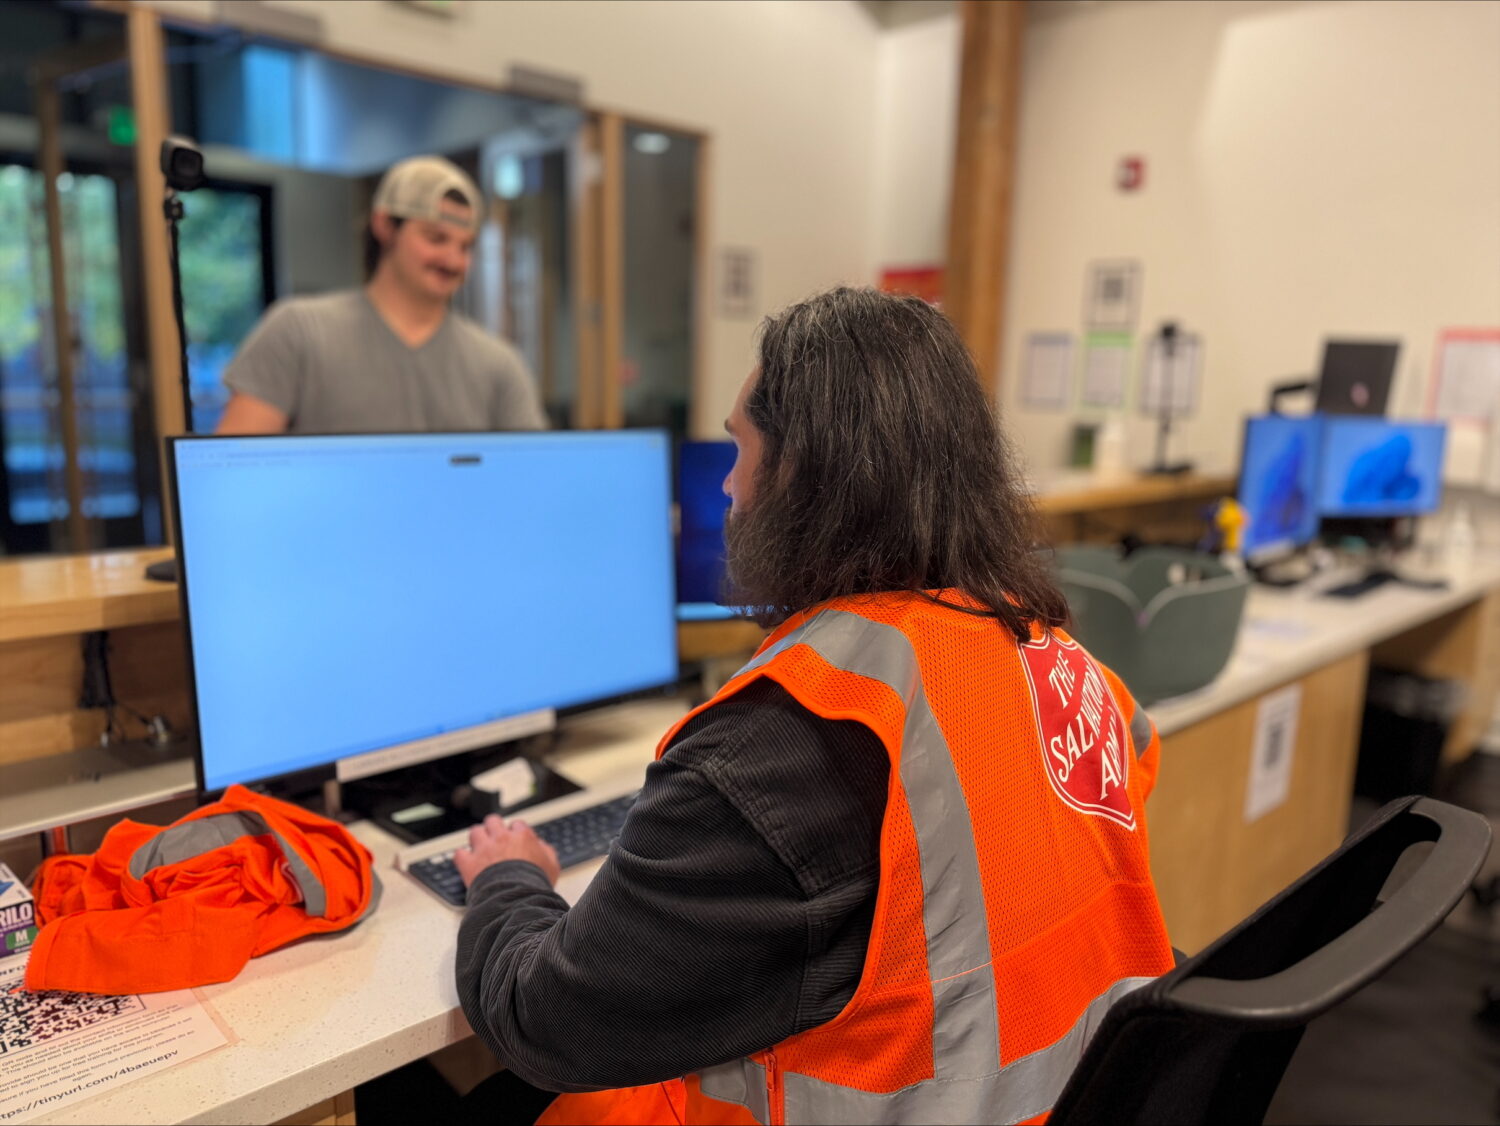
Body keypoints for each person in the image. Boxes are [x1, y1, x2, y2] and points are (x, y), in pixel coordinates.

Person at [452, 287, 1176, 1125]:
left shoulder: (788, 741)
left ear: (799, 471)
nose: (726, 486)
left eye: (739, 449)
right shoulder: (1056, 658)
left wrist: (509, 877)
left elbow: (549, 1021)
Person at [215, 155, 546, 435]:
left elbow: (534, 477)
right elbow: (239, 470)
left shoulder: (500, 364)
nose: (454, 261)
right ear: (385, 226)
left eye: (466, 246)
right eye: (436, 238)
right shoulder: (299, 331)